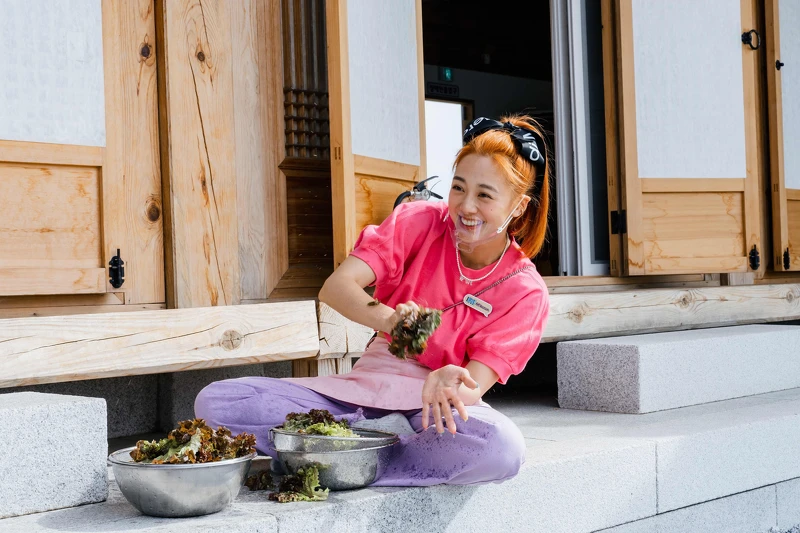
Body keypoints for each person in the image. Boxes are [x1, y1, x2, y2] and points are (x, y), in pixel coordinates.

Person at [195, 115, 551, 486]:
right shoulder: (420, 221)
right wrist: (390, 320)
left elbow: (470, 388)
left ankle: (351, 457)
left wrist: (448, 382)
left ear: (519, 206)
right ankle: (358, 447)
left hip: (429, 408)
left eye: (485, 195)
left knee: (503, 448)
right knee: (218, 401)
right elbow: (337, 286)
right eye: (458, 188)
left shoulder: (525, 292)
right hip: (361, 391)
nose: (466, 206)